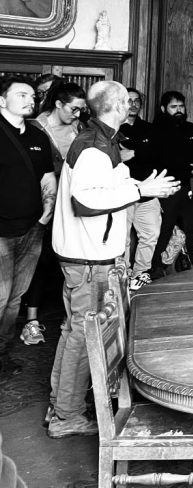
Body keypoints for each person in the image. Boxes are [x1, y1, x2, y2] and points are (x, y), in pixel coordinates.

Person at [48, 81, 178, 438]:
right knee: (82, 335)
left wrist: (136, 183)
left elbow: (102, 188)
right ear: (119, 105)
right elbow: (85, 202)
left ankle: (60, 405)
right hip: (88, 258)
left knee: (73, 331)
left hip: (85, 255)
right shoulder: (93, 146)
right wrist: (140, 190)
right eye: (127, 101)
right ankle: (66, 416)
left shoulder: (100, 140)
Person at [20, 80, 86, 345]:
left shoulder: (80, 128)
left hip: (73, 205)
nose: (78, 114)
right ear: (58, 104)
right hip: (43, 204)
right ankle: (31, 321)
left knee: (70, 261)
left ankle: (70, 317)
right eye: (73, 108)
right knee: (40, 261)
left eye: (81, 109)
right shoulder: (36, 127)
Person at [0, 75, 55, 375]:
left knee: (14, 300)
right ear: (1, 100)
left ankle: (2, 355)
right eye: (21, 94)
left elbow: (48, 176)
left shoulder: (37, 136)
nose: (30, 99)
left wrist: (46, 213)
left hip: (32, 229)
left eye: (32, 95)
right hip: (1, 233)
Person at [151, 91, 193, 274]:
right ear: (163, 109)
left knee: (192, 227)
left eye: (181, 106)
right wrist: (190, 168)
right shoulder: (156, 130)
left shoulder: (191, 128)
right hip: (168, 187)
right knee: (165, 229)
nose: (178, 110)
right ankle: (157, 268)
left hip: (192, 188)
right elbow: (166, 157)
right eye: (173, 107)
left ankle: (187, 264)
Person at [118, 87, 163, 290]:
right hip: (123, 192)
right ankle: (124, 275)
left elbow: (157, 156)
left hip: (148, 191)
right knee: (122, 238)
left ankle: (140, 274)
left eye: (137, 101)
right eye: (129, 100)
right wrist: (121, 156)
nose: (133, 104)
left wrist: (134, 153)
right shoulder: (114, 128)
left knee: (150, 235)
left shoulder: (150, 129)